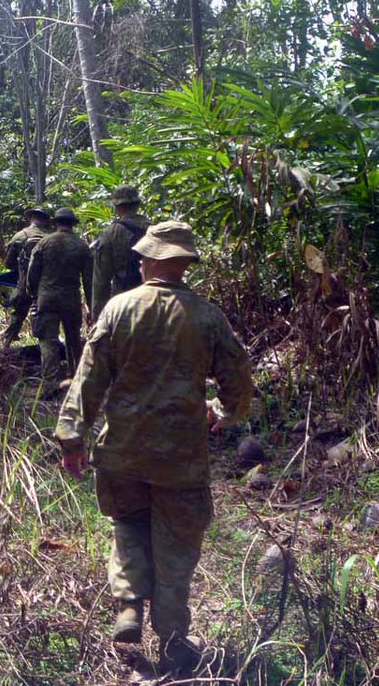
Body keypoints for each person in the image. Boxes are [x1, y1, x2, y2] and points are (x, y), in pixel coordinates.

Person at [54, 220, 253, 674]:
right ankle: (173, 637)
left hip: (122, 451)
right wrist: (222, 411)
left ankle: (128, 607)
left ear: (149, 262)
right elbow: (239, 384)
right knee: (177, 545)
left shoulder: (118, 309)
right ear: (184, 265)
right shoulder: (207, 316)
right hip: (181, 458)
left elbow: (88, 382)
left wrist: (72, 437)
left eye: (144, 256)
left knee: (128, 525)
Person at [26, 208, 92, 384]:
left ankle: (50, 383)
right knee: (73, 339)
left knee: (48, 340)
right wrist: (91, 305)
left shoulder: (44, 243)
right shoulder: (82, 246)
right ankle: (78, 379)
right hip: (71, 298)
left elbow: (32, 273)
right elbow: (89, 280)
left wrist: (33, 294)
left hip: (47, 297)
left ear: (55, 223)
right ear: (73, 224)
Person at [91, 185, 152, 320]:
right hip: (154, 302)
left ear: (117, 207)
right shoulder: (154, 229)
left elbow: (101, 280)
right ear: (138, 205)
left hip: (123, 303)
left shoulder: (110, 233)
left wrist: (98, 318)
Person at [2, 207, 53, 346]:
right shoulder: (53, 237)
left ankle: (5, 346)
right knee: (48, 319)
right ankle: (46, 348)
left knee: (18, 314)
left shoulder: (20, 236)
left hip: (25, 284)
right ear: (46, 220)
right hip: (48, 285)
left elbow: (8, 263)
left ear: (30, 218)